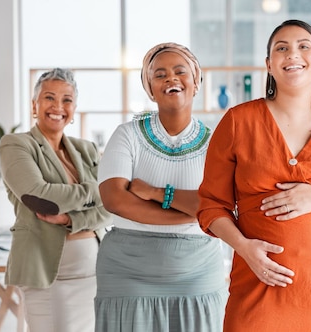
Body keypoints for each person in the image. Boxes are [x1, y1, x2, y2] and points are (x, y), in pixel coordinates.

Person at [196, 20, 311, 332]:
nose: (292, 54)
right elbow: (210, 206)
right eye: (281, 48)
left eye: (303, 46)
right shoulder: (238, 122)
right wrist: (244, 248)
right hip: (259, 289)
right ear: (269, 65)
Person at [95, 42, 227, 332]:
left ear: (196, 83)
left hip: (197, 274)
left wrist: (157, 194)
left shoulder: (217, 142)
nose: (171, 78)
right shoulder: (126, 135)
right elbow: (114, 200)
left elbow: (218, 204)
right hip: (128, 272)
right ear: (150, 88)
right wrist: (190, 212)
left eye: (180, 71)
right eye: (159, 74)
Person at [0, 68, 111, 332]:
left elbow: (113, 206)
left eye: (67, 99)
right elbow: (39, 197)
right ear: (34, 105)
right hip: (47, 273)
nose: (58, 106)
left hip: (93, 272)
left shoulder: (86, 149)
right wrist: (97, 191)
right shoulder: (16, 144)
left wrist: (71, 219)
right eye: (49, 98)